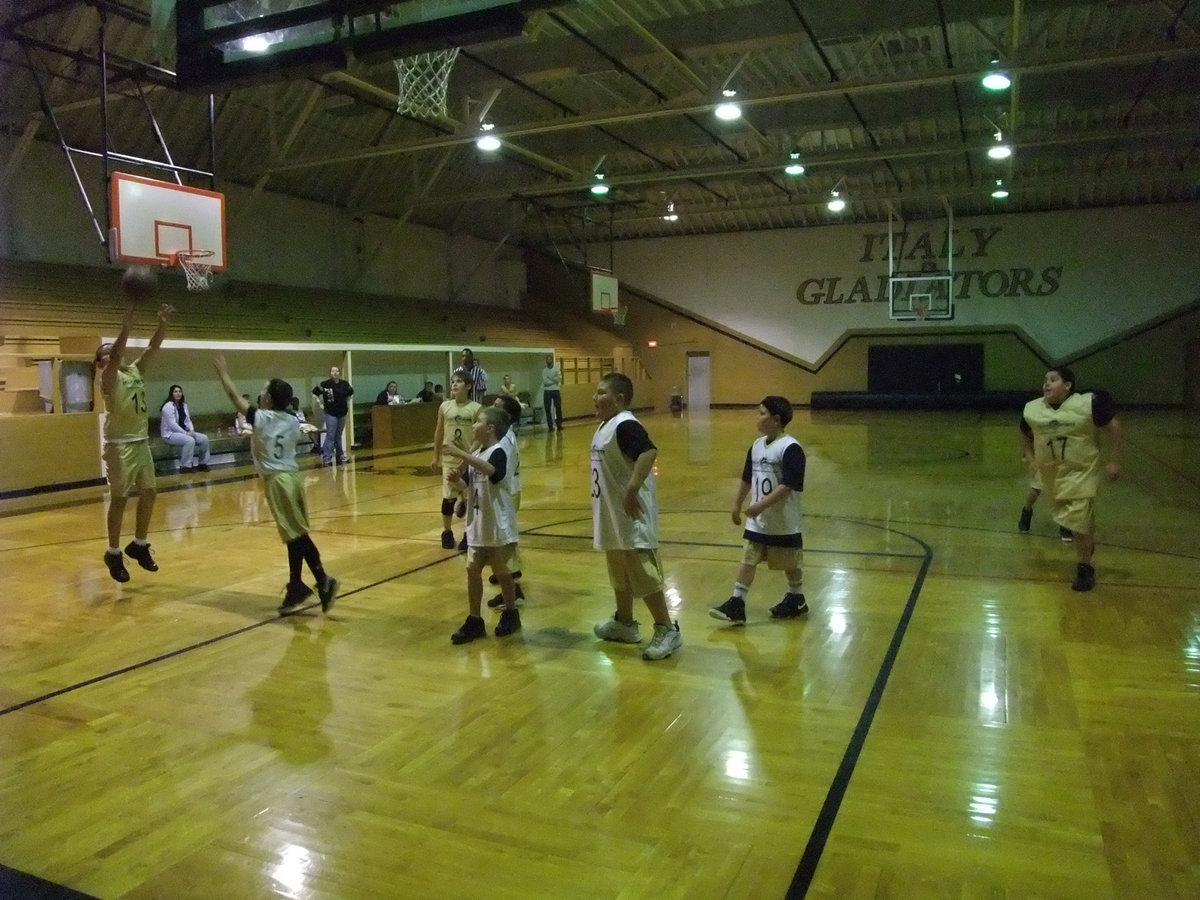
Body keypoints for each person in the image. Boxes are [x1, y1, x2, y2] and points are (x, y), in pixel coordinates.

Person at [214, 355, 340, 615]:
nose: (260, 394)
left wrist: (224, 374)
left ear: (269, 399)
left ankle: (323, 579)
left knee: (297, 535)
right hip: (293, 478)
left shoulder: (262, 418)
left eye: (263, 391)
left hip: (278, 481)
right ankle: (296, 586)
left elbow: (235, 398)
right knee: (294, 536)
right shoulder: (293, 420)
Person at [589, 372, 681, 661]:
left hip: (632, 515)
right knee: (619, 572)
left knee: (644, 575)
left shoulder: (625, 424)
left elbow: (648, 452)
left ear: (619, 398)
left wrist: (631, 489)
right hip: (613, 516)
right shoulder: (606, 426)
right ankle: (625, 623)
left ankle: (667, 629)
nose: (595, 397)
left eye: (602, 392)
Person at [1019, 366, 1122, 591]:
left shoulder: (1087, 404)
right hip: (1053, 476)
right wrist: (1028, 456)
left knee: (1080, 520)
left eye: (1053, 380)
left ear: (1067, 386)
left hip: (1081, 472)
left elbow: (1113, 426)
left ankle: (1084, 569)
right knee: (1076, 523)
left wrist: (1114, 460)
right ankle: (1085, 546)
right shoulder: (1033, 409)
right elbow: (1024, 432)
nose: (1046, 383)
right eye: (1045, 380)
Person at [709, 396, 808, 625]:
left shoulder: (791, 448)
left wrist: (761, 505)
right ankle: (737, 603)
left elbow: (789, 485)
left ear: (776, 419)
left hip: (783, 521)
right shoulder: (755, 446)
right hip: (758, 520)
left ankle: (796, 597)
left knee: (790, 563)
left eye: (761, 413)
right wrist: (737, 503)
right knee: (749, 558)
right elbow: (747, 477)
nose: (757, 418)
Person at [96, 303, 174, 583]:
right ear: (101, 362)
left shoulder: (135, 371)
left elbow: (152, 348)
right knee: (119, 499)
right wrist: (125, 328)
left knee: (150, 493)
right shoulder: (107, 379)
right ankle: (113, 552)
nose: (112, 355)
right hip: (119, 446)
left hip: (140, 443)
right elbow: (116, 355)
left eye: (112, 352)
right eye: (105, 354)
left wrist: (162, 324)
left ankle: (139, 545)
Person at [442, 406, 522, 644]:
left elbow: (493, 473)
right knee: (472, 570)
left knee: (502, 572)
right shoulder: (481, 454)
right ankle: (475, 619)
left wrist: (462, 454)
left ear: (490, 429)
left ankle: (511, 611)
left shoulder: (498, 452)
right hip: (477, 523)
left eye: (478, 422)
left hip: (498, 524)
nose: (473, 425)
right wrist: (457, 482)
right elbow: (469, 488)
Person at [431, 373, 481, 550]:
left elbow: (479, 437)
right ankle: (447, 532)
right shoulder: (445, 406)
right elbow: (439, 432)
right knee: (448, 499)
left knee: (469, 498)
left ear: (468, 386)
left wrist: (468, 455)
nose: (454, 384)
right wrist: (435, 456)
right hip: (449, 460)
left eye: (459, 381)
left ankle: (469, 534)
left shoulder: (476, 408)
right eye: (452, 381)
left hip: (468, 460)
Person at [487, 394, 525, 609]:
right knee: (501, 545)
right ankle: (510, 584)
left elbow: (500, 475)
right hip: (507, 493)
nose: (492, 407)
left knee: (502, 545)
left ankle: (512, 589)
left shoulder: (504, 441)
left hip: (507, 494)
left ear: (506, 415)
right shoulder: (501, 437)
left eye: (497, 406)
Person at [160, 383, 211, 473]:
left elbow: (188, 420)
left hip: (185, 432)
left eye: (180, 391)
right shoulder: (168, 406)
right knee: (189, 440)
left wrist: (192, 430)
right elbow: (172, 424)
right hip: (170, 434)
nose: (178, 393)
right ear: (171, 394)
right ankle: (185, 466)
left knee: (204, 439)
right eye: (175, 392)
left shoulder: (183, 405)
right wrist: (186, 434)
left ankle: (203, 463)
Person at [311, 364, 354, 466]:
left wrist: (347, 403)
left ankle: (340, 455)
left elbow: (350, 393)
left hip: (342, 412)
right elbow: (314, 393)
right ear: (330, 373)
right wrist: (320, 404)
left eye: (337, 371)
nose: (335, 373)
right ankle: (327, 456)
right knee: (330, 434)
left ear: (340, 373)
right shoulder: (325, 384)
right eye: (333, 371)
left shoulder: (345, 384)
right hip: (330, 413)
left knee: (338, 435)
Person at [540, 353, 563, 431]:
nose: (548, 361)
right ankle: (550, 426)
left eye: (549, 359)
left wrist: (551, 378)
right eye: (547, 359)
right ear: (546, 361)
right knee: (547, 409)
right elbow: (545, 382)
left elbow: (559, 379)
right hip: (547, 391)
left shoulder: (556, 369)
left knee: (558, 408)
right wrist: (554, 379)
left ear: (552, 360)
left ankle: (559, 424)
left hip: (556, 390)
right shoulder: (544, 370)